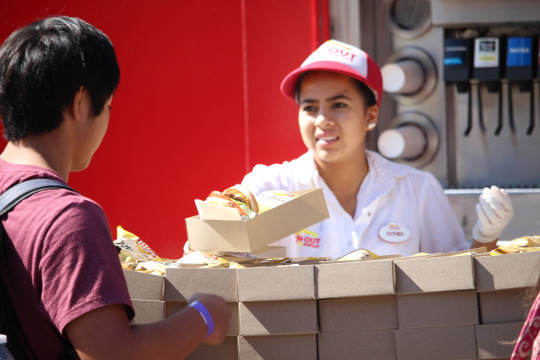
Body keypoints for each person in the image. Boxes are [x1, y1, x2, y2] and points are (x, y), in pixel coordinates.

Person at [0, 16, 230, 359]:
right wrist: (202, 318)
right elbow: (112, 354)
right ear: (80, 103)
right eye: (108, 106)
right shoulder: (68, 218)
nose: (107, 119)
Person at [240, 39, 514, 259]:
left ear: (371, 115)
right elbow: (216, 259)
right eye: (310, 107)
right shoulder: (271, 188)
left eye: (339, 105)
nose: (322, 120)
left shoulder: (416, 190)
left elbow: (460, 286)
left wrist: (485, 236)